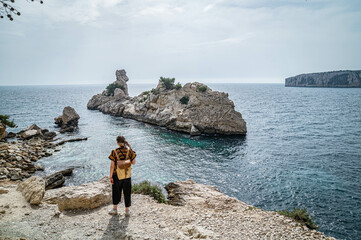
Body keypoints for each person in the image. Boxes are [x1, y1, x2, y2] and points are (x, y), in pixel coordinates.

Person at [108, 135, 136, 216]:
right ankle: (127, 211)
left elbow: (112, 166)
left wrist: (110, 176)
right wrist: (126, 162)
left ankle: (115, 209)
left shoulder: (114, 151)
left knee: (116, 192)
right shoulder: (130, 151)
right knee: (127, 192)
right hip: (127, 175)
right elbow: (133, 162)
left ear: (117, 142)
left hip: (117, 175)